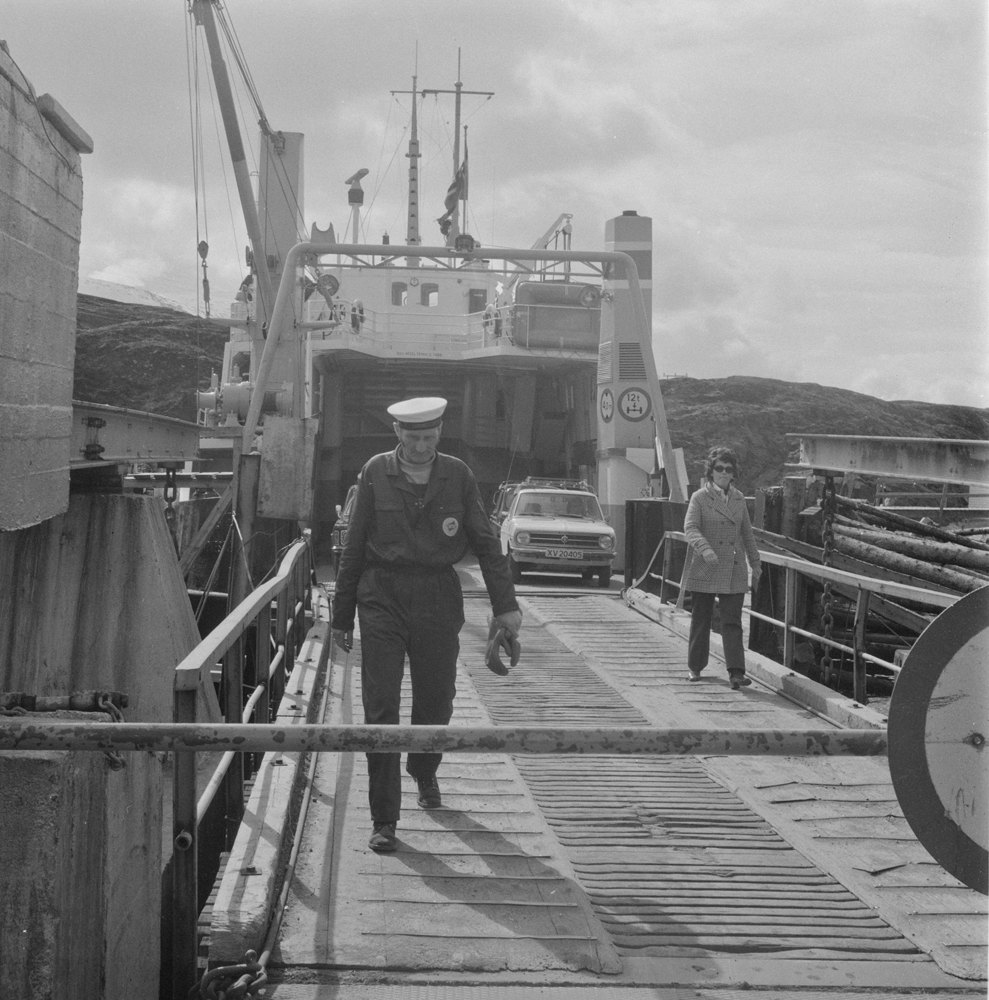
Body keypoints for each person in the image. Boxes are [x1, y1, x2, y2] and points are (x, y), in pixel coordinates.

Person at [331, 396, 522, 852]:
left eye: (429, 438)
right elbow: (354, 546)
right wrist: (341, 618)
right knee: (380, 704)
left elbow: (485, 541)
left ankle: (423, 769)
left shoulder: (457, 474)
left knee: (437, 698)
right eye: (412, 437)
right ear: (397, 433)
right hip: (382, 595)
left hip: (438, 594)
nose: (420, 446)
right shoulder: (375, 471)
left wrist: (506, 607)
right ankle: (384, 818)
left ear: (439, 433)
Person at [682, 446, 761, 690]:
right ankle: (695, 667)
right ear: (711, 471)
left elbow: (747, 534)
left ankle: (736, 673)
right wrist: (705, 549)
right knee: (701, 619)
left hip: (733, 568)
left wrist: (755, 564)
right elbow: (690, 528)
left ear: (733, 473)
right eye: (719, 468)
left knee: (732, 621)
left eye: (728, 469)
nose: (724, 473)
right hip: (707, 565)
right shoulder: (699, 498)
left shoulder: (738, 499)